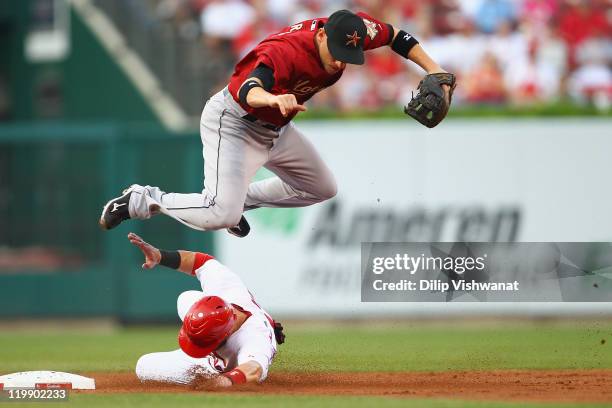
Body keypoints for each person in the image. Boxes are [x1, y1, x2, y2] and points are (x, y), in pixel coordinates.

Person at [99, 10, 449, 237]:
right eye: (338, 54)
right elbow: (248, 90)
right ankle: (142, 200)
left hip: (277, 129)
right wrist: (273, 98)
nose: (341, 63)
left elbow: (398, 37)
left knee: (322, 188)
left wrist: (433, 69)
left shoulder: (352, 29)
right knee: (217, 214)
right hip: (234, 122)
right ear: (323, 35)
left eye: (349, 57)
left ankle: (238, 202)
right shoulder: (286, 51)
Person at [128, 232, 283, 386]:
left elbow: (253, 370)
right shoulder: (226, 288)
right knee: (186, 298)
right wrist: (160, 256)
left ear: (225, 335)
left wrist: (225, 381)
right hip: (219, 331)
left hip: (219, 364)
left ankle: (213, 368)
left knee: (144, 366)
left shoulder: (254, 336)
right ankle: (202, 338)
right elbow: (201, 262)